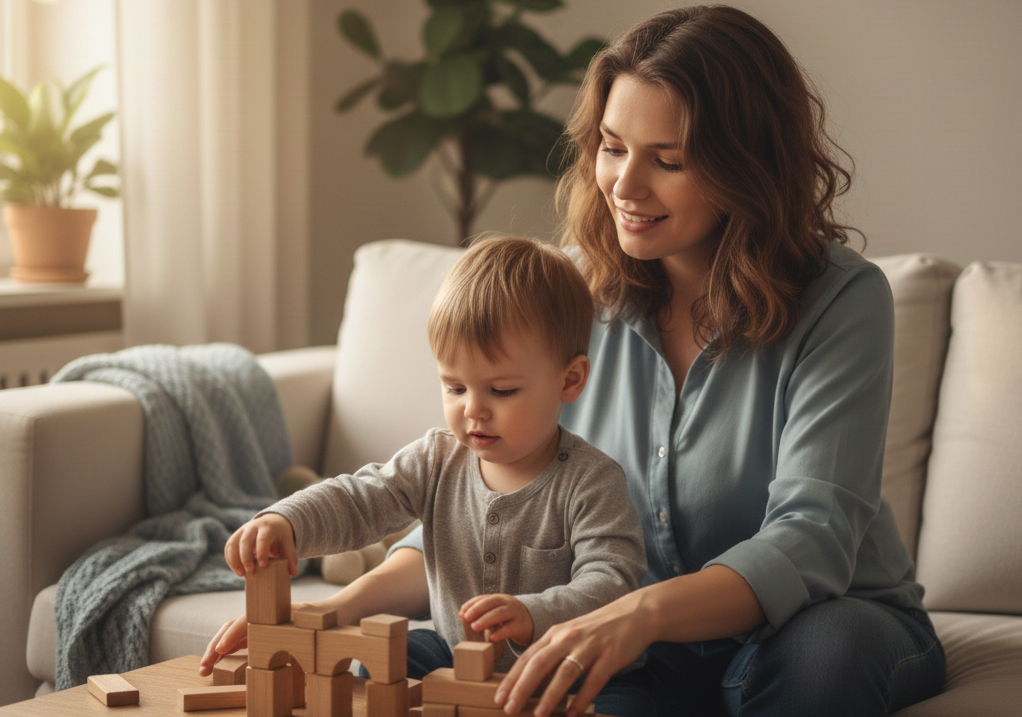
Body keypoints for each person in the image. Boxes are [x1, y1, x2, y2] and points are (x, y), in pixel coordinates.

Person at [388, 6, 948, 717]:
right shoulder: (566, 292)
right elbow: (471, 496)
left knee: (821, 660)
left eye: (668, 159)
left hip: (826, 620)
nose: (625, 184)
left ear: (747, 164)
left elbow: (812, 538)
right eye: (613, 146)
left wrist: (641, 614)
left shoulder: (842, 299)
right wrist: (334, 608)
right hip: (636, 650)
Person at [199, 236, 647, 678]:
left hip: (571, 670)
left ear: (570, 380)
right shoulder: (437, 460)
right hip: (459, 659)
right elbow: (360, 498)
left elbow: (612, 583)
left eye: (502, 390)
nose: (473, 409)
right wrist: (288, 521)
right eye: (455, 387)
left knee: (630, 704)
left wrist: (534, 612)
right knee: (388, 659)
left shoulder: (593, 481)